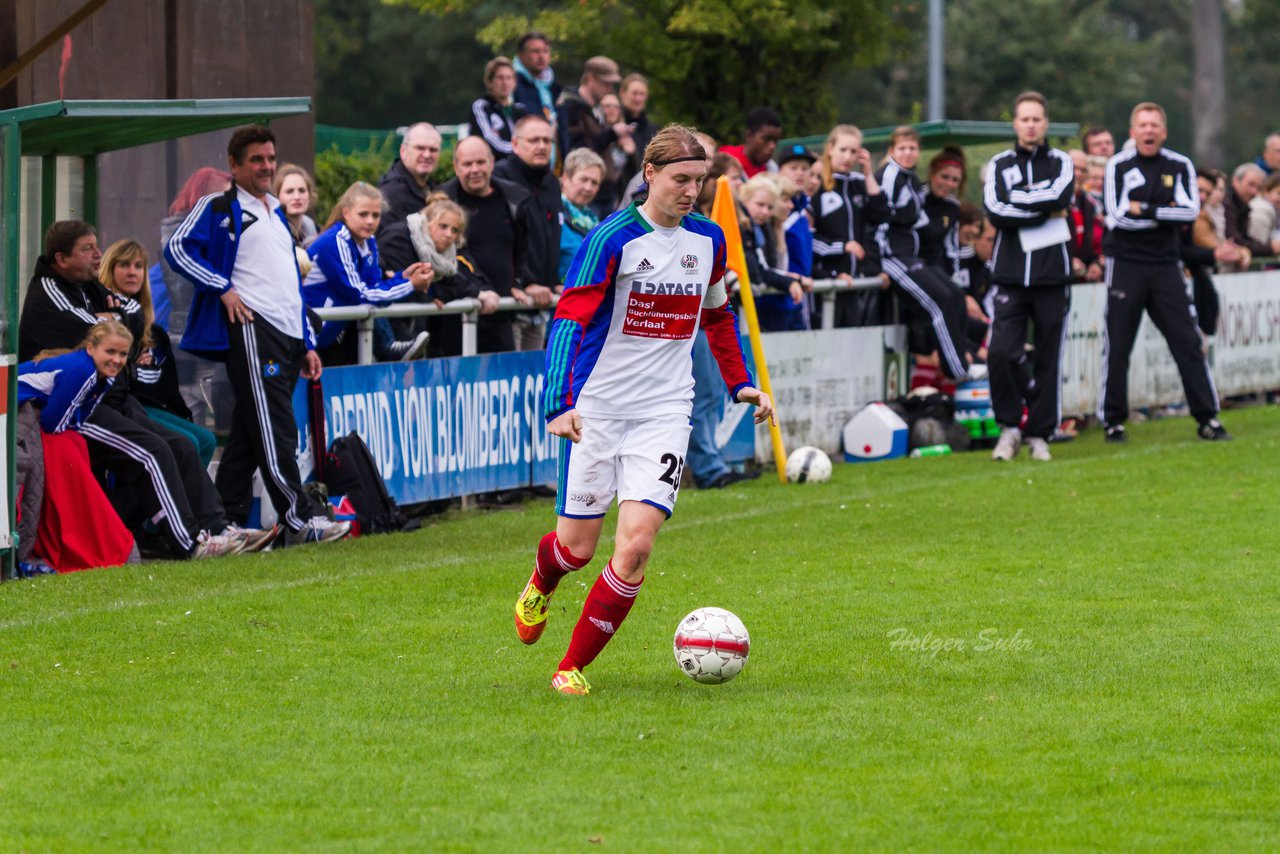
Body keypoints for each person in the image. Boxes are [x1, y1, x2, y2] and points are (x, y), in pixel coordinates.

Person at [514, 124, 775, 696]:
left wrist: (740, 384)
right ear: (650, 174)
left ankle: (571, 666)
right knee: (575, 551)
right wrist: (559, 403)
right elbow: (569, 320)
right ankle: (542, 578)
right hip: (599, 409)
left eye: (700, 182)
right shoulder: (611, 239)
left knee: (634, 547)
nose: (691, 192)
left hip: (664, 412)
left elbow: (715, 316)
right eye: (681, 180)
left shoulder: (707, 241)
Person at [166, 124, 352, 544]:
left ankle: (221, 521)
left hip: (287, 333)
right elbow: (177, 248)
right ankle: (300, 519)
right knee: (277, 429)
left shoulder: (277, 213)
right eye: (257, 160)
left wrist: (306, 342)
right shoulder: (220, 205)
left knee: (254, 432)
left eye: (271, 158)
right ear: (234, 164)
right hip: (252, 330)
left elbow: (290, 283)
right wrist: (224, 288)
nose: (266, 166)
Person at [1099, 102, 1228, 443]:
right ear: (1132, 132)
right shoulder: (1118, 165)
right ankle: (1113, 421)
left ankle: (1208, 419)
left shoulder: (1179, 164)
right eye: (1142, 125)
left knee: (1187, 341)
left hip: (1165, 264)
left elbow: (1188, 212)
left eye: (1155, 125)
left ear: (1164, 132)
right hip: (1125, 263)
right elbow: (1117, 216)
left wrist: (1144, 207)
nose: (1149, 131)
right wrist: (1162, 211)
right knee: (1118, 346)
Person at [982, 92, 1075, 462]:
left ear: (1046, 123)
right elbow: (995, 210)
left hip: (1053, 274)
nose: (1031, 125)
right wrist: (1040, 209)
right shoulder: (999, 164)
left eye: (1037, 119)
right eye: (1024, 119)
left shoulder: (1061, 161)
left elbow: (1062, 195)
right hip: (1010, 274)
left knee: (1049, 356)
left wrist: (1020, 201)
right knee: (1001, 352)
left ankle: (1040, 432)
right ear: (1015, 124)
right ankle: (1009, 426)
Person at [17, 322, 139, 571]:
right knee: (67, 444)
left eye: (123, 354)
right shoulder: (83, 370)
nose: (116, 360)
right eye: (110, 352)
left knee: (75, 442)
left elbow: (77, 418)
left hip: (29, 410)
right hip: (14, 407)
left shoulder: (104, 376)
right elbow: (53, 423)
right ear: (91, 348)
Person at [100, 239, 217, 469]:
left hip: (146, 405)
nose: (132, 272)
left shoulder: (153, 331)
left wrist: (146, 368)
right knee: (189, 443)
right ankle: (174, 502)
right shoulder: (105, 315)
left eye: (138, 266)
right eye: (124, 265)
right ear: (110, 269)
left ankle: (189, 503)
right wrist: (135, 368)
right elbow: (120, 378)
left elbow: (160, 384)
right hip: (118, 408)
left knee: (206, 440)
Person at [867, 126, 972, 381]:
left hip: (923, 267)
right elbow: (880, 215)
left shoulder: (942, 201)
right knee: (939, 304)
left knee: (955, 296)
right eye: (944, 176)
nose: (948, 184)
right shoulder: (898, 180)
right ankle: (956, 371)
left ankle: (959, 364)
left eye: (954, 180)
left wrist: (954, 277)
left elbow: (950, 249)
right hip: (902, 261)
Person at [303, 182, 434, 364]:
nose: (370, 221)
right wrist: (410, 284)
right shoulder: (336, 241)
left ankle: (389, 348)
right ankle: (389, 349)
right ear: (346, 213)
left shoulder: (369, 241)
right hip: (309, 335)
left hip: (333, 334)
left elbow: (373, 286)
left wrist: (402, 277)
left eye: (375, 215)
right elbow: (360, 295)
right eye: (363, 214)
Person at [380, 192, 500, 358]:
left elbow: (453, 282)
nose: (449, 235)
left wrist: (480, 293)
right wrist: (428, 295)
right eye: (443, 226)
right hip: (387, 329)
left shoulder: (446, 255)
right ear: (427, 222)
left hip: (416, 329)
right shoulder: (397, 238)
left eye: (455, 230)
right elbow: (402, 286)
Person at [441, 136, 523, 353]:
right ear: (456, 168)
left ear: (492, 162)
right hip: (455, 318)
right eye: (467, 164)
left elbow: (528, 250)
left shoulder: (514, 200)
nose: (475, 169)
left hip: (501, 315)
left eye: (480, 162)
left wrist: (523, 281)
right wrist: (475, 291)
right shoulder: (442, 204)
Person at [493, 114, 562, 350]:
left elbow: (551, 237)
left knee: (536, 381)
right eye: (534, 140)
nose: (542, 146)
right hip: (509, 304)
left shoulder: (551, 182)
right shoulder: (499, 179)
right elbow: (498, 242)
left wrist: (552, 283)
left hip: (541, 302)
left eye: (547, 140)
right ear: (514, 143)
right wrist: (525, 282)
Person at [811, 125, 882, 328]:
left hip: (855, 283)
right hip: (826, 284)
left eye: (854, 151)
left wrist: (868, 174)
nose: (848, 157)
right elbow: (809, 238)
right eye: (843, 150)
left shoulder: (859, 183)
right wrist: (842, 247)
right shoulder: (818, 186)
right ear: (831, 148)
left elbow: (881, 216)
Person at [738, 174, 809, 330]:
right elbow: (758, 270)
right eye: (760, 204)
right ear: (744, 200)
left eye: (770, 207)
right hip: (751, 309)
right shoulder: (743, 228)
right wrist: (788, 280)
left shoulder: (763, 229)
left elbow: (771, 266)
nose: (765, 211)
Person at [558, 55, 631, 158]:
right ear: (591, 78)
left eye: (612, 84)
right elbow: (576, 150)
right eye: (606, 83)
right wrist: (612, 134)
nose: (610, 89)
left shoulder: (594, 110)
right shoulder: (571, 107)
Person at [377, 123, 443, 232]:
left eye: (433, 150)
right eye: (420, 148)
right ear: (403, 151)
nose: (427, 155)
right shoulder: (391, 193)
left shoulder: (434, 189)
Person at [512, 31, 563, 163]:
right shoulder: (511, 85)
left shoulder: (554, 88)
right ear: (521, 55)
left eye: (545, 51)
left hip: (554, 163)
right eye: (535, 51)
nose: (541, 56)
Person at [558, 148, 606, 280]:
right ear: (566, 179)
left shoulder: (595, 221)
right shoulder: (551, 213)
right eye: (583, 179)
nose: (588, 188)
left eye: (594, 182)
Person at [469, 56, 528, 161]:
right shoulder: (482, 107)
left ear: (514, 83)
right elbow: (490, 143)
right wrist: (523, 149)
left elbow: (530, 138)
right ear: (489, 82)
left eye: (509, 78)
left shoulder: (521, 110)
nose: (505, 82)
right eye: (500, 77)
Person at [594, 93, 638, 215]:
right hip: (594, 194)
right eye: (607, 106)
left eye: (616, 106)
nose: (612, 110)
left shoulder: (626, 134)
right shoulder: (595, 133)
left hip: (616, 196)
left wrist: (632, 153)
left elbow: (635, 172)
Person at [1224, 162, 1280, 259]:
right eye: (1251, 184)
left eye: (1258, 187)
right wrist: (1270, 248)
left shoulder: (1243, 206)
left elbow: (1244, 237)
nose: (1254, 191)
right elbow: (1235, 240)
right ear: (1236, 181)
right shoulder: (1227, 205)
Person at [720, 107, 782, 179]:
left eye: (776, 141)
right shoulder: (726, 160)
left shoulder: (771, 168)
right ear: (749, 135)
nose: (772, 146)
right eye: (766, 139)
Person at [273, 164, 319, 248]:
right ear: (276, 197)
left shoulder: (312, 227)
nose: (297, 197)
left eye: (302, 190)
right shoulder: (272, 230)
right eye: (289, 191)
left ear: (309, 195)